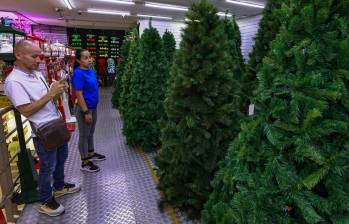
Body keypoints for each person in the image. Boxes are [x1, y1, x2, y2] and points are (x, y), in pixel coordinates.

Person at [4, 40, 80, 217]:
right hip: (43, 131)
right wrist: (50, 94)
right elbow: (26, 110)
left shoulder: (36, 74)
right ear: (19, 55)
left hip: (55, 123)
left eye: (39, 55)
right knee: (48, 166)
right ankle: (45, 200)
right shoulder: (14, 81)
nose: (38, 60)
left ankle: (59, 187)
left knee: (62, 158)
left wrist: (57, 91)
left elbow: (46, 100)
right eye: (34, 56)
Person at [72, 49, 106, 173]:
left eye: (89, 57)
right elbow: (79, 94)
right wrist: (86, 112)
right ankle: (85, 161)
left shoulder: (90, 70)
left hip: (93, 106)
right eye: (85, 58)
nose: (89, 59)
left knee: (91, 132)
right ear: (78, 60)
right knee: (84, 135)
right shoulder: (78, 73)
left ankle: (91, 153)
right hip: (84, 109)